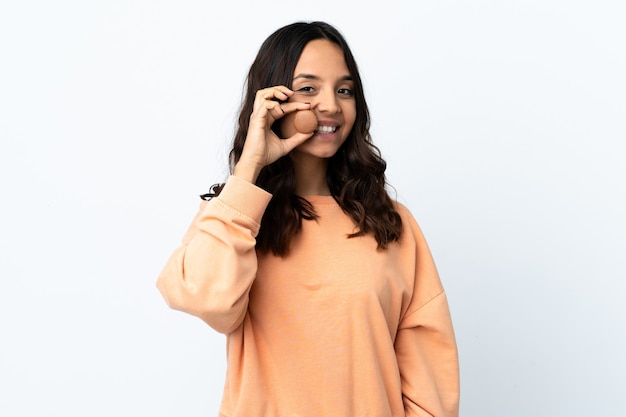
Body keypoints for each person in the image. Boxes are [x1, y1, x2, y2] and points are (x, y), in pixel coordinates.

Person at [157, 21, 459, 417]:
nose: (331, 105)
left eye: (344, 90)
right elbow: (206, 300)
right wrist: (249, 168)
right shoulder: (235, 214)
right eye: (308, 88)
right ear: (272, 100)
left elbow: (429, 381)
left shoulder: (390, 222)